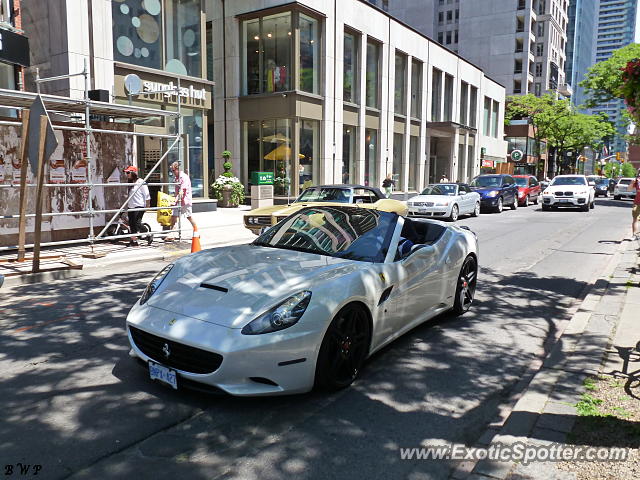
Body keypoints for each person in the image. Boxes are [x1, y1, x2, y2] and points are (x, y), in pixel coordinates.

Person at [167, 161, 197, 240]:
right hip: (178, 200)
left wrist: (175, 200)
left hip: (185, 200)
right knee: (173, 217)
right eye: (172, 171)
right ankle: (171, 234)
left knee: (189, 217)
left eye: (173, 170)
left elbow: (182, 191)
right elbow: (177, 191)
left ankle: (196, 231)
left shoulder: (184, 177)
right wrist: (175, 200)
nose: (172, 172)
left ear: (177, 169)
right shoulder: (176, 178)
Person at [124, 166, 150, 247]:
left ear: (133, 173)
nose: (127, 174)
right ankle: (134, 241)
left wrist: (147, 205)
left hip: (139, 205)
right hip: (131, 206)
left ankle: (148, 234)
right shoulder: (130, 182)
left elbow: (147, 194)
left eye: (128, 172)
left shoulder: (140, 181)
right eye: (126, 173)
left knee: (137, 223)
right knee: (131, 224)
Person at [632, 170, 640, 238]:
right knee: (635, 219)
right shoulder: (637, 181)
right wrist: (632, 183)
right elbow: (629, 189)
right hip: (637, 202)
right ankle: (635, 235)